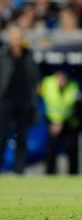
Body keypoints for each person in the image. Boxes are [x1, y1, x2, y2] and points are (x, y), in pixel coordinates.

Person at [0, 25, 40, 174]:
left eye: (19, 36)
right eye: (14, 36)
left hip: (24, 102)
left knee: (22, 138)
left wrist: (33, 99)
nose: (16, 40)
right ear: (9, 38)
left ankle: (19, 170)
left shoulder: (28, 56)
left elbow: (35, 79)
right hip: (6, 102)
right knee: (2, 137)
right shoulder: (3, 57)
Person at [41, 69, 82, 174]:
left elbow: (73, 107)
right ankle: (49, 175)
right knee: (51, 150)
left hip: (69, 122)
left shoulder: (73, 86)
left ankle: (73, 175)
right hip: (51, 122)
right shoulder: (47, 84)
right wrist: (54, 122)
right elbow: (44, 104)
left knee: (72, 150)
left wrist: (60, 122)